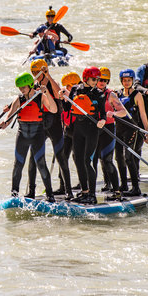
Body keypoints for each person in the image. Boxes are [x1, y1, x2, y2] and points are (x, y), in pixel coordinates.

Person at [0, 72, 58, 202]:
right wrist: (5, 123)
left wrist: (46, 93)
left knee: (41, 164)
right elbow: (10, 115)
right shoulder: (18, 99)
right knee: (18, 165)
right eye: (20, 87)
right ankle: (14, 195)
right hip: (22, 134)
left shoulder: (40, 96)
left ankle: (50, 195)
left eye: (23, 87)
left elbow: (54, 109)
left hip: (38, 134)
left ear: (30, 85)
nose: (21, 90)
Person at [59, 67, 108, 205]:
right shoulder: (75, 89)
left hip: (92, 129)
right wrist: (62, 98)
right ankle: (84, 191)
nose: (96, 82)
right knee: (78, 160)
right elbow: (67, 108)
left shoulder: (99, 93)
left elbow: (103, 113)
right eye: (93, 79)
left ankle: (92, 195)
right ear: (86, 78)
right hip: (78, 129)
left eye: (97, 79)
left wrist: (102, 121)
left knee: (87, 161)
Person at [25, 59, 72, 199]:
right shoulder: (34, 85)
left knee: (60, 157)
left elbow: (58, 94)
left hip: (55, 124)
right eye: (33, 72)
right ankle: (31, 191)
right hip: (40, 124)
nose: (35, 74)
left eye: (37, 72)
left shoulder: (52, 82)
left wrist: (48, 76)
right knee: (33, 158)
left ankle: (68, 191)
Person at [92, 67, 129, 196]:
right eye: (100, 80)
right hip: (94, 129)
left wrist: (113, 113)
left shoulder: (111, 95)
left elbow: (123, 112)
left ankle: (117, 190)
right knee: (93, 160)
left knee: (107, 160)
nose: (102, 82)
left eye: (105, 80)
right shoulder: (90, 93)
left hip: (108, 129)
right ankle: (92, 191)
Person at [115, 69, 148, 198]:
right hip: (118, 129)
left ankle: (136, 188)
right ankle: (124, 185)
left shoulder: (137, 95)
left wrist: (147, 132)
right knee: (118, 158)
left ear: (132, 81)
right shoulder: (117, 94)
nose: (126, 82)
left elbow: (143, 114)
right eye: (124, 80)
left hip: (132, 129)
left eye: (129, 80)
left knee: (128, 158)